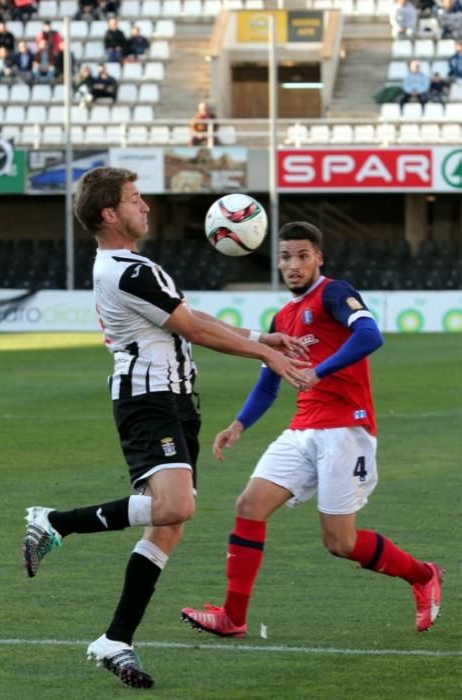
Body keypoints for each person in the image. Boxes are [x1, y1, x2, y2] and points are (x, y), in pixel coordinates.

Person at [23, 167, 308, 690]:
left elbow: (185, 315)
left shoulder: (131, 266)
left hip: (176, 402)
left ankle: (115, 640)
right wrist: (265, 352)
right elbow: (193, 328)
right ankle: (56, 521)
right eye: (135, 199)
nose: (146, 207)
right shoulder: (127, 271)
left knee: (168, 526)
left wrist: (258, 334)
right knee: (176, 507)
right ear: (110, 213)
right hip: (147, 400)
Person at [181, 221, 443, 641]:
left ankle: (423, 575)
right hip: (302, 430)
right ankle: (233, 616)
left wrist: (320, 371)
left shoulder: (335, 293)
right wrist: (239, 424)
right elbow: (270, 380)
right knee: (249, 505)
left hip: (346, 429)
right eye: (286, 257)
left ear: (318, 257)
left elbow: (370, 335)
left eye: (303, 255)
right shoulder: (282, 316)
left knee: (339, 542)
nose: (294, 264)